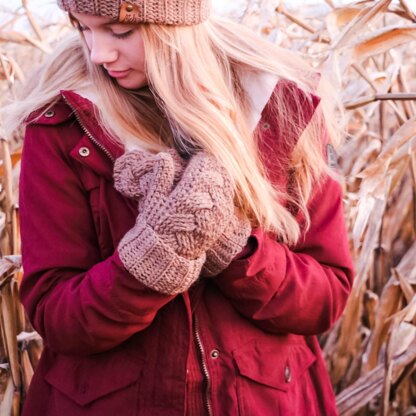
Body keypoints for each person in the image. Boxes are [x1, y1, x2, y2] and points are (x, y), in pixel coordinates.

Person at [7, 0, 355, 414]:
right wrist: (148, 263)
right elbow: (56, 314)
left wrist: (235, 248)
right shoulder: (65, 125)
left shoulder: (281, 113)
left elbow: (326, 296)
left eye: (120, 31)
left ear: (179, 26)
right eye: (83, 28)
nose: (99, 54)